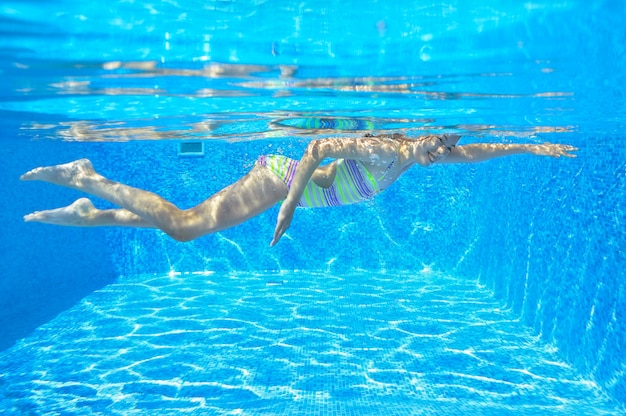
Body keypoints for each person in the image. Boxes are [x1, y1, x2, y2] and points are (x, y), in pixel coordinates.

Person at [20, 133, 577, 246]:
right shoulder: (385, 147)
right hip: (282, 180)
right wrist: (288, 210)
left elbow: (475, 153)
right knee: (188, 229)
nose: (440, 157)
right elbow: (315, 147)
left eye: (444, 152)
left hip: (298, 192)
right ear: (424, 138)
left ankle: (89, 211)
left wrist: (529, 147)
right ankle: (89, 176)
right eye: (438, 149)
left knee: (184, 220)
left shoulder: (422, 155)